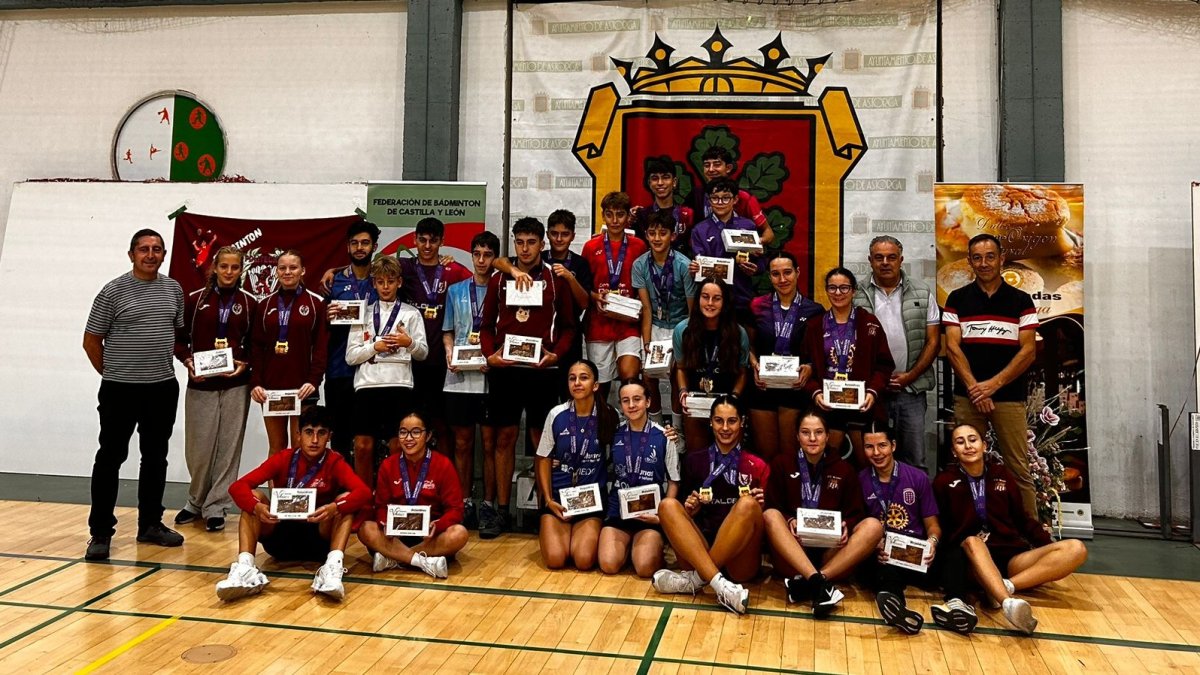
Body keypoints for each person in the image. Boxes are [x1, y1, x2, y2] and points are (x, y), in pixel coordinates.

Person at [82, 229, 186, 560]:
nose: (150, 255)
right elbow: (91, 341)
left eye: (157, 249)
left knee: (155, 458)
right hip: (119, 391)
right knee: (110, 458)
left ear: (164, 254)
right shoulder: (112, 291)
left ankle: (150, 525)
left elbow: (176, 334)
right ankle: (100, 532)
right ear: (131, 255)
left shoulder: (174, 290)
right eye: (144, 249)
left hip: (162, 388)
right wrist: (114, 374)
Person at [934, 423, 1088, 635]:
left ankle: (1003, 586)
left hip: (1009, 558)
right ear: (954, 451)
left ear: (984, 445)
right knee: (972, 541)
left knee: (1076, 548)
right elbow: (939, 527)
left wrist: (1048, 550)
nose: (968, 446)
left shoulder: (1002, 474)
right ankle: (1008, 603)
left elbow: (1022, 519)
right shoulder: (944, 481)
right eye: (960, 442)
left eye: (973, 440)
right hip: (973, 558)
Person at [480, 217, 578, 537]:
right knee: (504, 438)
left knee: (542, 441)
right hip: (506, 371)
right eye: (519, 242)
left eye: (531, 242)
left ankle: (544, 509)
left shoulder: (555, 279)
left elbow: (569, 327)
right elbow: (486, 326)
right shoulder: (499, 279)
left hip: (542, 372)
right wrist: (489, 355)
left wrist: (556, 355)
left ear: (542, 244)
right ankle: (502, 511)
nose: (525, 248)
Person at [217, 405, 372, 602]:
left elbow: (364, 492)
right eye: (309, 432)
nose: (314, 440)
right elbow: (237, 487)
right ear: (298, 435)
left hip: (318, 538)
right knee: (254, 496)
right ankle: (245, 568)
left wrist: (335, 507)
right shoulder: (283, 458)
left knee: (344, 501)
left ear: (329, 437)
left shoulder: (335, 461)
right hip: (280, 534)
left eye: (321, 433)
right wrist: (257, 506)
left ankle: (332, 568)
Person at [943, 234, 1040, 516]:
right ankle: (967, 530)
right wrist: (976, 389)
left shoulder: (1021, 300)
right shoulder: (956, 299)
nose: (984, 263)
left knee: (1018, 469)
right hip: (968, 397)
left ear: (1002, 259)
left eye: (990, 257)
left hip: (1008, 397)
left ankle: (1030, 533)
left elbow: (1028, 351)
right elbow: (952, 348)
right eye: (977, 258)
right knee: (964, 466)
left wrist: (992, 386)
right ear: (970, 261)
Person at [650, 394, 767, 615]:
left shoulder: (757, 464)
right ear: (710, 422)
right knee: (667, 506)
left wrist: (759, 506)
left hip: (740, 559)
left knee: (747, 505)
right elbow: (684, 514)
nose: (725, 428)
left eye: (732, 421)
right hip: (700, 550)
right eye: (719, 421)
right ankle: (721, 586)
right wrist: (690, 509)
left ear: (742, 422)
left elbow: (766, 521)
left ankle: (695, 581)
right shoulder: (694, 460)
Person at [763, 409, 883, 617]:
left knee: (873, 526)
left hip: (831, 554)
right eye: (805, 432)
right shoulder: (782, 464)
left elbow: (856, 513)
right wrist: (789, 519)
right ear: (797, 436)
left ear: (827, 436)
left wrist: (847, 524)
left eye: (818, 432)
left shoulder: (844, 469)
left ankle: (814, 581)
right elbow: (772, 505)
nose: (812, 438)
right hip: (794, 549)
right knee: (771, 515)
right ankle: (818, 583)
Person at [174, 246, 257, 532]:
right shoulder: (195, 300)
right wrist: (188, 361)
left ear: (241, 270)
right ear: (215, 268)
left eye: (235, 267)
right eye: (224, 267)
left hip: (236, 384)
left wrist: (245, 364)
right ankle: (196, 500)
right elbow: (179, 339)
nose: (229, 272)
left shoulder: (249, 303)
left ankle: (216, 506)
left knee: (229, 446)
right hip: (201, 383)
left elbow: (256, 344)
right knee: (198, 448)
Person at [853, 236, 940, 474]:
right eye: (879, 257)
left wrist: (910, 376)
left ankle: (914, 499)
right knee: (871, 459)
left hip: (911, 390)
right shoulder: (856, 294)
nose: (885, 263)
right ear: (870, 260)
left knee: (914, 459)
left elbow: (933, 341)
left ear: (901, 260)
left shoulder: (922, 292)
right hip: (871, 392)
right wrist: (876, 381)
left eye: (891, 257)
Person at [344, 255, 428, 487]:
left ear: (399, 282)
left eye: (390, 281)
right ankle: (363, 498)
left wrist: (408, 342)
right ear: (374, 283)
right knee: (362, 446)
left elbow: (423, 353)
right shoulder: (363, 314)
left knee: (397, 446)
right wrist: (375, 347)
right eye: (380, 282)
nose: (385, 287)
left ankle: (394, 495)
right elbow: (350, 357)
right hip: (367, 385)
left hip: (400, 385)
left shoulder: (411, 314)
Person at [495, 209, 592, 403]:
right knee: (530, 399)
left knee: (567, 394)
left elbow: (584, 303)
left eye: (564, 234)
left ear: (573, 236)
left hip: (566, 334)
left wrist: (569, 277)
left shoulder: (580, 263)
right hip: (536, 333)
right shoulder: (538, 255)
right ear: (546, 237)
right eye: (554, 233)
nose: (559, 239)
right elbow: (498, 262)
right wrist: (514, 271)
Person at [359, 409, 469, 579]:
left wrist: (438, 526)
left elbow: (456, 509)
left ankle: (394, 558)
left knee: (459, 534)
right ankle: (422, 562)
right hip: (395, 536)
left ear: (428, 436)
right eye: (403, 432)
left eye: (416, 432)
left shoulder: (443, 464)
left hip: (429, 536)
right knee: (365, 528)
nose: (408, 438)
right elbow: (381, 506)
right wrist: (385, 523)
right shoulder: (388, 465)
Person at [803, 267, 894, 467]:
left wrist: (872, 392)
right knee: (826, 465)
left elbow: (884, 365)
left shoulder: (869, 323)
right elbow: (805, 367)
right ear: (826, 290)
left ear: (854, 291)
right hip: (827, 406)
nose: (838, 293)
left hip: (862, 406)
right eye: (832, 288)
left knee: (868, 465)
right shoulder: (815, 326)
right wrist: (816, 393)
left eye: (844, 288)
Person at [858, 422, 942, 634]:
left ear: (893, 445)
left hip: (915, 554)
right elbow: (857, 527)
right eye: (869, 447)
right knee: (880, 570)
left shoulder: (917, 478)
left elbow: (933, 525)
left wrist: (932, 543)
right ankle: (898, 609)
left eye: (882, 445)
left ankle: (956, 605)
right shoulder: (860, 480)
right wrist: (874, 545)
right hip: (883, 557)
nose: (876, 453)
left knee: (954, 556)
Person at [399, 217, 472, 456]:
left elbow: (483, 280)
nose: (428, 246)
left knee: (442, 425)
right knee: (409, 423)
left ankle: (443, 472)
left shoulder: (454, 271)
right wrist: (334, 271)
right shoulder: (405, 268)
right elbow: (369, 269)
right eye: (422, 240)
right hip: (410, 361)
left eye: (433, 240)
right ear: (414, 240)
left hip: (442, 362)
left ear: (442, 241)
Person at [535, 361, 618, 570]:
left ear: (596, 385)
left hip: (591, 501)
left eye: (584, 378)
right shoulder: (556, 414)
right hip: (558, 499)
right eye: (572, 378)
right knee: (555, 559)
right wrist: (548, 500)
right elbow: (543, 457)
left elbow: (633, 435)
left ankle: (578, 537)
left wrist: (667, 433)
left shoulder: (610, 414)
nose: (577, 383)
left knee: (583, 560)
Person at [442, 231, 500, 531]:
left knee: (489, 444)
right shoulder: (456, 291)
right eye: (476, 254)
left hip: (491, 374)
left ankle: (488, 505)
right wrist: (449, 354)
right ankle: (464, 502)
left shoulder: (502, 288)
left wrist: (496, 357)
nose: (481, 260)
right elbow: (448, 331)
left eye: (487, 255)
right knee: (462, 443)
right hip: (460, 374)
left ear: (495, 258)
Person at [598, 379, 681, 577]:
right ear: (620, 405)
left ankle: (647, 548)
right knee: (608, 564)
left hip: (650, 515)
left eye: (637, 399)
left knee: (645, 568)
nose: (632, 405)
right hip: (619, 511)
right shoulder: (613, 433)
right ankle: (629, 548)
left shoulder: (664, 436)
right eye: (625, 401)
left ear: (648, 402)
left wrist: (662, 517)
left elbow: (673, 481)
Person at [745, 252, 823, 461]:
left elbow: (819, 353)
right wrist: (753, 363)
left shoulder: (815, 310)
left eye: (787, 272)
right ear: (769, 277)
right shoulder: (756, 306)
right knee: (767, 456)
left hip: (795, 388)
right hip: (763, 387)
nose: (782, 279)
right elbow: (748, 345)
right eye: (775, 274)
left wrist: (810, 367)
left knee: (790, 456)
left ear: (798, 272)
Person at [250, 250, 328, 455]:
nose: (287, 272)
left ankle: (297, 480)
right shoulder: (264, 305)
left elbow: (321, 347)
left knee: (300, 447)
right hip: (272, 389)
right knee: (277, 447)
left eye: (293, 267)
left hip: (303, 388)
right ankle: (277, 480)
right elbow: (256, 347)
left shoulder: (316, 304)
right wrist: (256, 382)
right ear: (276, 271)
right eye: (282, 268)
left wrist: (313, 381)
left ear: (303, 271)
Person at [323, 220, 380, 465]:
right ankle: (341, 485)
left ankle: (369, 485)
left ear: (374, 246)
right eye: (354, 243)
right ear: (347, 246)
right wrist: (327, 317)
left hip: (373, 370)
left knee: (370, 437)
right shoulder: (333, 282)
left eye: (365, 243)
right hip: (340, 369)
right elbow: (320, 326)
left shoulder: (383, 278)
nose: (359, 248)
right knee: (340, 437)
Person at [632, 209, 696, 426]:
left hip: (681, 325)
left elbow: (692, 310)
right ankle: (656, 425)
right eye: (652, 233)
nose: (657, 238)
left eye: (662, 233)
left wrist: (688, 337)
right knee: (648, 376)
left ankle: (677, 430)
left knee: (678, 376)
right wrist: (647, 342)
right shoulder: (639, 265)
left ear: (673, 235)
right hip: (655, 324)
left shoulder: (684, 265)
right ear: (646, 235)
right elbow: (646, 308)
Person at [581, 191, 648, 397]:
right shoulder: (591, 247)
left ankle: (631, 416)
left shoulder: (639, 245)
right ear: (603, 215)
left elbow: (644, 283)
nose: (615, 220)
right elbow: (583, 286)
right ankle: (604, 417)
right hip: (599, 322)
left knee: (630, 377)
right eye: (609, 214)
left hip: (628, 323)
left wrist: (637, 302)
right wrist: (595, 296)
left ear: (628, 216)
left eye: (620, 214)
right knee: (600, 385)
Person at [672, 280, 750, 450]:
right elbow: (681, 368)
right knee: (697, 456)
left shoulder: (738, 333)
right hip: (696, 402)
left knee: (729, 456)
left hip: (727, 404)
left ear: (725, 302)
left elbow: (743, 372)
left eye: (716, 298)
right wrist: (683, 391)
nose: (710, 303)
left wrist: (734, 398)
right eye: (705, 297)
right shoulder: (682, 330)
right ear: (698, 299)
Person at [689, 177, 765, 322]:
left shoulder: (748, 226)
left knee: (742, 334)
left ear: (735, 199)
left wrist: (755, 269)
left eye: (725, 198)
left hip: (741, 296)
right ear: (709, 201)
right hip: (712, 300)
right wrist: (695, 269)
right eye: (715, 198)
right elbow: (700, 263)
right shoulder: (699, 230)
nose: (720, 202)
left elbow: (760, 262)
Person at [694, 147, 774, 246]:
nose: (711, 169)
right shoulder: (696, 194)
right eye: (707, 165)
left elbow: (768, 233)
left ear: (728, 168)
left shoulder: (744, 197)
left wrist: (753, 245)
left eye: (717, 164)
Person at [630, 156, 696, 254]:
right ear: (649, 183)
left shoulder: (687, 215)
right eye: (655, 178)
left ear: (674, 182)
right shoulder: (642, 216)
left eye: (665, 177)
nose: (660, 183)